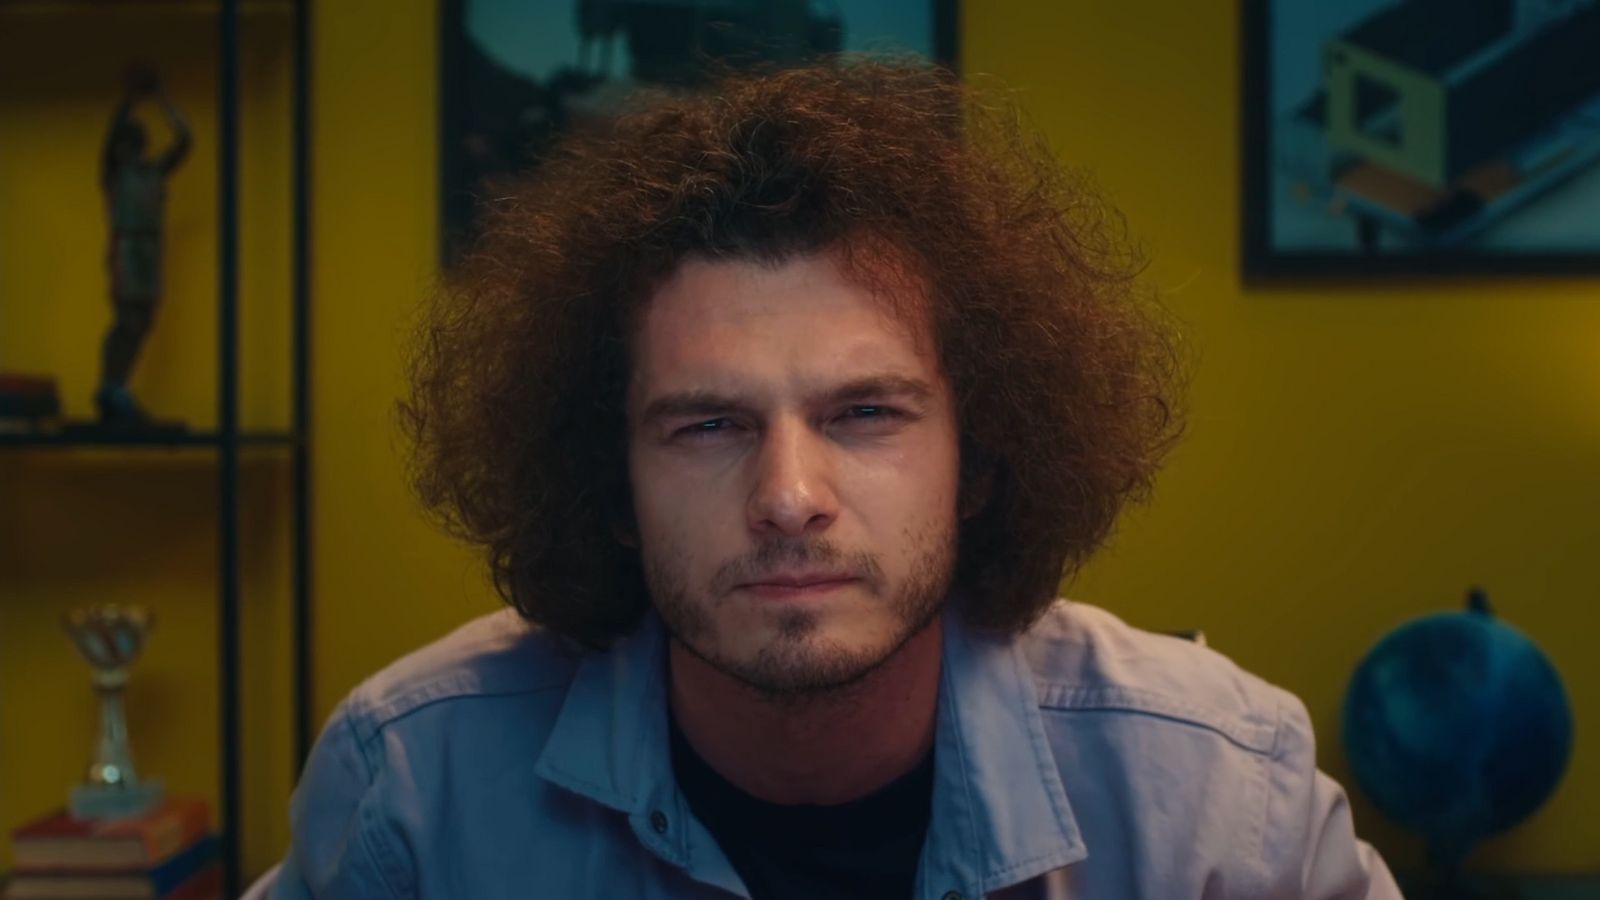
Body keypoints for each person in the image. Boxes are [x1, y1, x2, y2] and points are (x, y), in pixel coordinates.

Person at [267, 61, 1400, 898]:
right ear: (606, 482)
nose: (789, 496)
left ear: (982, 457)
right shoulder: (411, 785)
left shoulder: (1221, 802)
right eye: (707, 424)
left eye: (865, 414)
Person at [98, 65, 190, 424]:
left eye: (134, 145)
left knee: (143, 322)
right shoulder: (115, 176)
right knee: (126, 319)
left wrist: (163, 100)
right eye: (125, 145)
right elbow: (107, 145)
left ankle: (119, 387)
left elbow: (185, 140)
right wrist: (130, 100)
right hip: (128, 249)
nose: (129, 151)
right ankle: (110, 387)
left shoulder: (152, 172)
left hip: (151, 251)